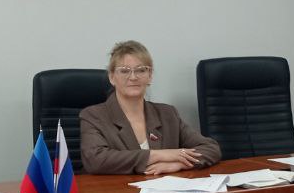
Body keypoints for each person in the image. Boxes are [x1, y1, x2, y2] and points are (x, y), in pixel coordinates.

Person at [79, 40, 221, 174]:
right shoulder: (93, 116)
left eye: (141, 70)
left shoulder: (168, 114)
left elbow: (211, 148)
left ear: (150, 76)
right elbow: (95, 160)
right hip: (116, 190)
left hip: (163, 189)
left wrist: (179, 164)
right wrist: (157, 155)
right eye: (124, 71)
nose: (133, 77)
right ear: (111, 77)